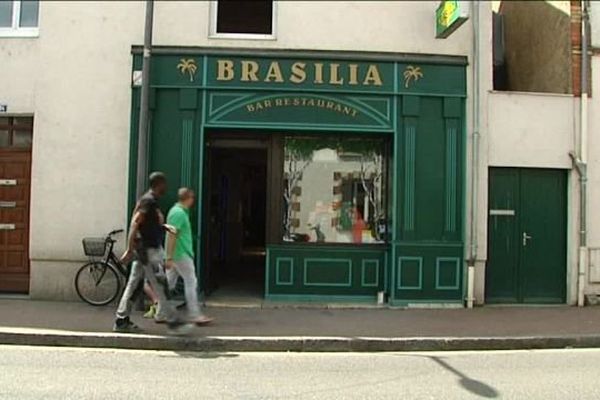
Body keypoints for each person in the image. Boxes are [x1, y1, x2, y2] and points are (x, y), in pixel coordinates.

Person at [113, 172, 193, 335]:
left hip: (145, 250)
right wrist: (129, 248)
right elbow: (136, 223)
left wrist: (163, 227)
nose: (166, 187)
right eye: (164, 184)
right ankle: (173, 322)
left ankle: (121, 320)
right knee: (161, 285)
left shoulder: (150, 201)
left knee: (134, 285)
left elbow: (146, 224)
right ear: (158, 184)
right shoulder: (148, 200)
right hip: (149, 251)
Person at [165, 188, 214, 325]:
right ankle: (194, 314)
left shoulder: (177, 212)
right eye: (192, 198)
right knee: (191, 282)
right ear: (188, 198)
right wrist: (169, 257)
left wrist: (169, 256)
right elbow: (172, 234)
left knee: (169, 283)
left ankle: (161, 312)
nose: (193, 201)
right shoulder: (179, 213)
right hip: (181, 254)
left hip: (177, 254)